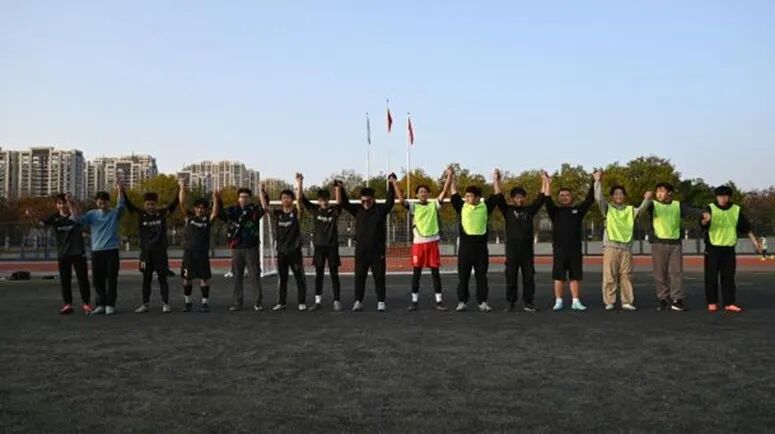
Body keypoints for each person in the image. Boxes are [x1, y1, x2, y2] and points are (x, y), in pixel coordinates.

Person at [338, 174, 398, 312]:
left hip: (377, 251)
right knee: (359, 276)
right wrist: (341, 188)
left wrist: (391, 184)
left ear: (373, 199)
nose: (365, 203)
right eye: (363, 201)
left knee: (379, 276)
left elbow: (390, 201)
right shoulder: (358, 210)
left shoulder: (380, 210)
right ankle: (358, 301)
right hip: (361, 251)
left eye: (368, 201)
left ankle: (381, 301)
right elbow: (345, 203)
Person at [594, 171, 652, 311]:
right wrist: (598, 181)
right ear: (612, 197)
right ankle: (610, 301)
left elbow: (641, 210)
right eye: (616, 194)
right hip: (611, 246)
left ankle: (627, 301)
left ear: (624, 196)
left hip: (626, 247)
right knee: (610, 275)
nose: (619, 196)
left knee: (626, 275)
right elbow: (598, 198)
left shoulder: (630, 210)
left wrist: (647, 199)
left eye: (621, 193)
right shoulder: (607, 208)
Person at [644, 182, 708, 311]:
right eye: (657, 191)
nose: (659, 194)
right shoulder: (653, 205)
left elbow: (691, 210)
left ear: (669, 193)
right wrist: (646, 199)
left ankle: (677, 300)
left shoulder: (677, 205)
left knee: (676, 273)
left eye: (662, 191)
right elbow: (642, 209)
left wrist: (703, 213)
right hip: (659, 243)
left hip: (675, 244)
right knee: (660, 273)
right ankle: (662, 298)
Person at [494, 170, 550, 312]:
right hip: (512, 249)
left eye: (521, 197)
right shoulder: (507, 210)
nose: (519, 199)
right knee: (511, 276)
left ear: (524, 198)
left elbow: (541, 198)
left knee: (529, 277)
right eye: (516, 197)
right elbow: (498, 196)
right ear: (513, 198)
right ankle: (510, 302)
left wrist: (545, 180)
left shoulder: (529, 210)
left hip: (527, 250)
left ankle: (528, 302)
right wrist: (496, 180)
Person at [397, 167, 453, 311]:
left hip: (432, 243)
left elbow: (444, 191)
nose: (423, 193)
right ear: (417, 194)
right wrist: (394, 183)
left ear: (428, 194)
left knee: (435, 273)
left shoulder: (434, 205)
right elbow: (401, 201)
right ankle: (414, 302)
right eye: (420, 192)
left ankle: (439, 302)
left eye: (425, 191)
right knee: (416, 273)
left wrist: (449, 176)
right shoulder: (414, 206)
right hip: (419, 244)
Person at [26, 194, 91, 314]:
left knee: (82, 279)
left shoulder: (75, 215)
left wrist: (71, 202)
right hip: (63, 254)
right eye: (59, 203)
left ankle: (86, 303)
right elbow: (39, 225)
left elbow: (77, 215)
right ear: (56, 205)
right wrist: (32, 217)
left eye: (64, 203)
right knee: (65, 280)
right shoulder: (55, 218)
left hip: (78, 252)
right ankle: (68, 304)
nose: (62, 206)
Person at [701, 186, 762, 313]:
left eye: (725, 196)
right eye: (720, 196)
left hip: (729, 248)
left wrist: (755, 242)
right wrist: (705, 221)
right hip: (712, 248)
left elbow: (746, 228)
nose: (723, 199)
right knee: (711, 276)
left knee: (728, 277)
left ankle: (729, 303)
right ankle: (712, 302)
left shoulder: (736, 210)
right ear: (716, 197)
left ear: (729, 197)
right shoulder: (710, 208)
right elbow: (702, 224)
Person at [68, 183, 125, 315]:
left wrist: (120, 190)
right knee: (97, 280)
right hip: (97, 251)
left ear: (108, 202)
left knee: (111, 279)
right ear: (96, 202)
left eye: (105, 203)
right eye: (100, 203)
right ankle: (100, 304)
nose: (102, 205)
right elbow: (77, 218)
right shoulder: (92, 215)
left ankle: (110, 304)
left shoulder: (114, 213)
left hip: (111, 251)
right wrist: (71, 204)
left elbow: (121, 204)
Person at [123, 186, 180, 313]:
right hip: (146, 253)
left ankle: (166, 304)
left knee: (162, 278)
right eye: (148, 204)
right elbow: (129, 204)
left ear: (156, 204)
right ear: (144, 204)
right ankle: (145, 304)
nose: (150, 206)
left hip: (160, 252)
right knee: (146, 279)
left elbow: (174, 204)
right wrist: (122, 190)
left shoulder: (161, 213)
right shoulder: (140, 214)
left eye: (152, 204)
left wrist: (180, 188)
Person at [450, 168, 500, 312]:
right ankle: (462, 302)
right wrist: (451, 176)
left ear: (478, 198)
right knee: (463, 278)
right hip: (465, 250)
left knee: (481, 277)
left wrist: (495, 179)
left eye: (471, 196)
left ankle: (482, 302)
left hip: (481, 250)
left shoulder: (485, 207)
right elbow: (453, 192)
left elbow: (497, 194)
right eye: (466, 196)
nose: (468, 198)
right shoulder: (462, 207)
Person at [545, 173, 595, 311]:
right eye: (562, 195)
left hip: (575, 250)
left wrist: (595, 181)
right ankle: (558, 301)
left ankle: (576, 301)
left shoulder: (577, 210)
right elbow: (547, 199)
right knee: (558, 277)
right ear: (559, 198)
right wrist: (547, 183)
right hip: (560, 250)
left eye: (567, 195)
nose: (564, 197)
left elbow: (589, 200)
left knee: (575, 276)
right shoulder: (555, 211)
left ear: (571, 197)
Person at [298, 174, 343, 311]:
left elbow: (339, 202)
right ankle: (317, 302)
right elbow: (301, 198)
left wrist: (337, 188)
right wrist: (300, 182)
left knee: (334, 274)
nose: (324, 202)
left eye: (326, 200)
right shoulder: (314, 209)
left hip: (332, 247)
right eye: (321, 200)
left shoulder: (333, 210)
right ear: (318, 201)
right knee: (319, 274)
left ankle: (337, 301)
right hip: (319, 247)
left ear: (328, 200)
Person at [260, 180, 308, 312]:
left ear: (292, 199)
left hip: (294, 251)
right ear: (281, 200)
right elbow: (265, 207)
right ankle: (282, 302)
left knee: (299, 278)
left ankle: (302, 302)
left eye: (288, 197)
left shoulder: (296, 213)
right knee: (282, 278)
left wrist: (299, 183)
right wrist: (261, 191)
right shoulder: (278, 214)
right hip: (281, 251)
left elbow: (300, 200)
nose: (285, 199)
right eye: (283, 198)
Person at [219, 187, 265, 311]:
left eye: (246, 197)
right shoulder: (233, 210)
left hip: (251, 247)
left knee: (254, 275)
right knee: (237, 276)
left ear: (250, 198)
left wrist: (261, 192)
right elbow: (220, 214)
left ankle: (257, 302)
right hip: (236, 247)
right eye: (241, 197)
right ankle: (237, 303)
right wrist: (217, 199)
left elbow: (264, 207)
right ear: (238, 198)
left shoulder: (254, 210)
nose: (243, 199)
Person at [179, 181, 220, 312]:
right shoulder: (189, 217)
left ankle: (205, 303)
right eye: (198, 207)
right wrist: (182, 189)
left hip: (202, 254)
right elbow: (182, 203)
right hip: (189, 254)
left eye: (202, 208)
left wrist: (215, 198)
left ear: (205, 209)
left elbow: (215, 213)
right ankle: (188, 302)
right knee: (187, 279)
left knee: (204, 279)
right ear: (195, 208)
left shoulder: (207, 220)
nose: (200, 209)